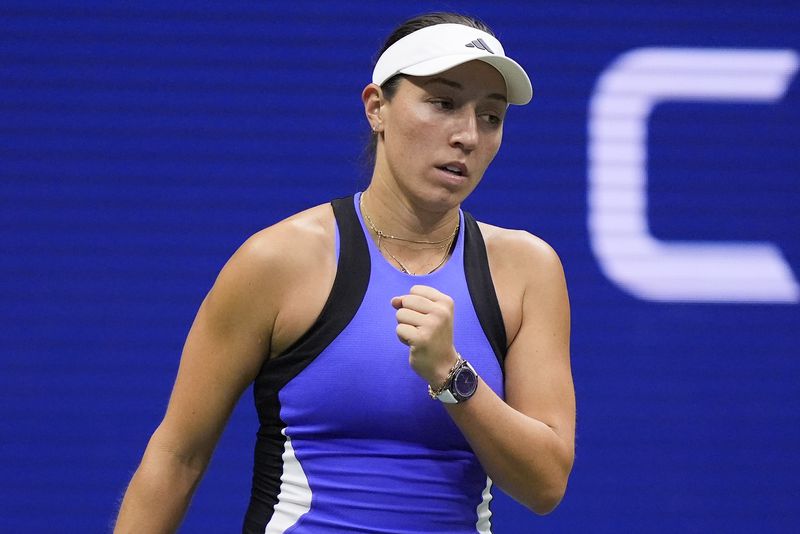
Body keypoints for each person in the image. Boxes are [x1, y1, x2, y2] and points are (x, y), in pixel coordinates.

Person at [114, 11, 575, 534]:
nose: (468, 135)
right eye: (443, 104)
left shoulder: (529, 270)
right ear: (377, 108)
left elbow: (545, 485)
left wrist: (452, 376)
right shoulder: (278, 261)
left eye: (491, 116)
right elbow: (178, 456)